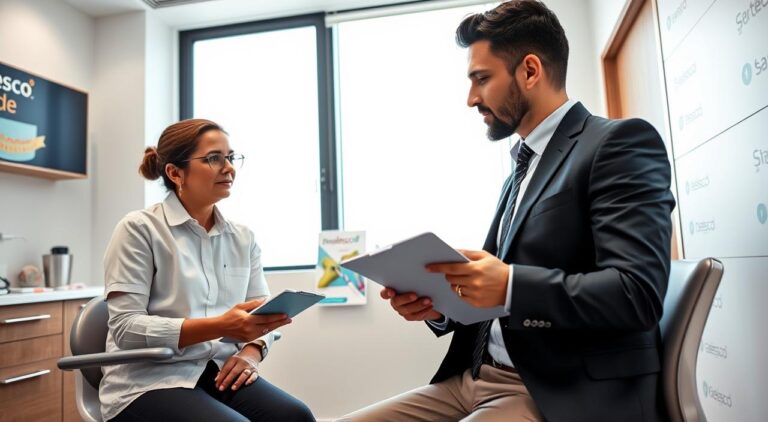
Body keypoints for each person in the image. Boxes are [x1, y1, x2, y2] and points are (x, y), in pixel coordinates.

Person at [340, 1, 675, 421]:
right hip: (473, 378)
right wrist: (440, 307)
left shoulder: (618, 143)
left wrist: (510, 286)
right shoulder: (522, 165)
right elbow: (498, 293)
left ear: (530, 71)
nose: (471, 98)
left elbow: (636, 294)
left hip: (556, 389)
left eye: (481, 79)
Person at [100, 118, 315, 421]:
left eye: (230, 157)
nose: (229, 167)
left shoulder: (243, 238)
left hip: (217, 371)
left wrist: (251, 353)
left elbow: (262, 314)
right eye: (214, 158)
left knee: (296, 416)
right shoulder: (139, 229)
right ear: (176, 173)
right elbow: (125, 328)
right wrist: (221, 326)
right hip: (149, 381)